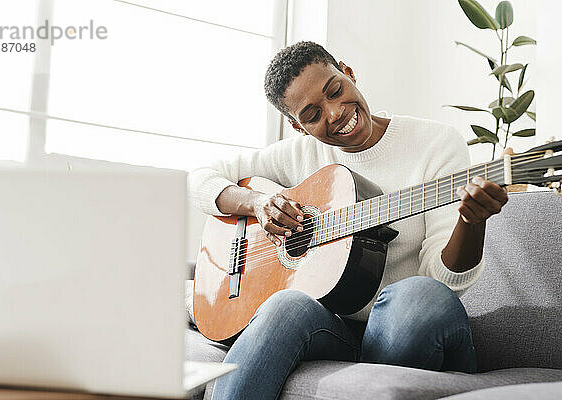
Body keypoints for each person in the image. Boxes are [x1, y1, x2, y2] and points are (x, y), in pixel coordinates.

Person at [188, 41, 509, 400]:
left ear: (347, 72)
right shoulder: (300, 153)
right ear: (297, 126)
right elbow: (200, 179)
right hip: (334, 331)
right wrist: (257, 202)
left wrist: (471, 221)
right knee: (284, 305)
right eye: (312, 115)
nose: (335, 112)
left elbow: (444, 282)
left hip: (406, 325)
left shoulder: (435, 143)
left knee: (416, 297)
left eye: (335, 90)